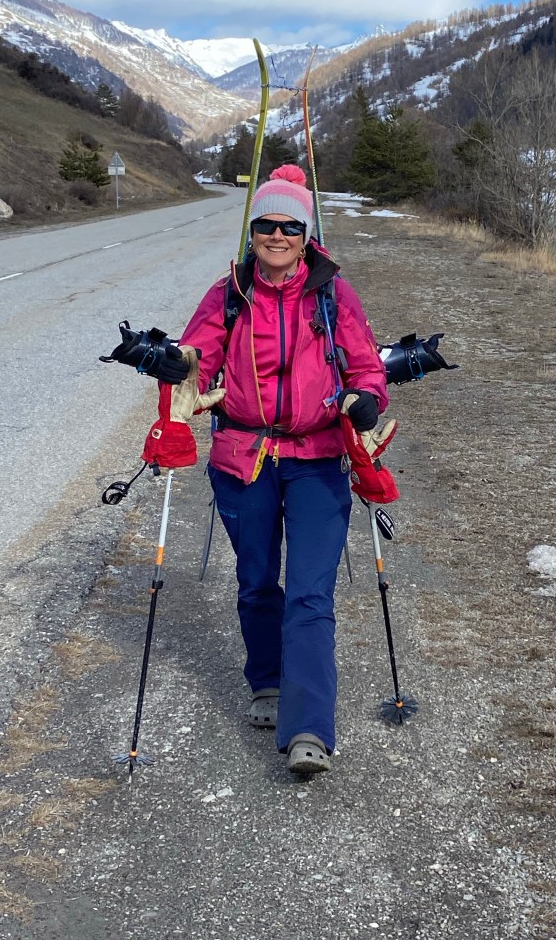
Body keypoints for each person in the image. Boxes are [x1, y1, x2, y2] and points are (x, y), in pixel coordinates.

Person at [164, 165, 389, 775]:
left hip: (318, 460)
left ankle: (309, 728)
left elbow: (367, 369)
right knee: (258, 581)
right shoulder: (229, 293)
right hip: (244, 458)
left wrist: (368, 400)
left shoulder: (333, 294)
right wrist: (171, 364)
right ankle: (266, 680)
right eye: (267, 224)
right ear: (253, 231)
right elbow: (196, 358)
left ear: (306, 234)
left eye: (291, 226)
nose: (278, 236)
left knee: (310, 594)